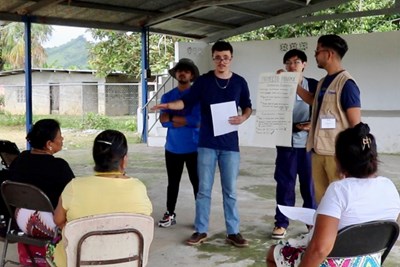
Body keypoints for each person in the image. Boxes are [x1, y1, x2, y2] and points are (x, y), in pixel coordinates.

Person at [151, 41, 252, 247]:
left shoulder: (239, 82)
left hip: (230, 144)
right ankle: (201, 230)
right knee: (204, 190)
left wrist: (243, 118)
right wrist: (168, 106)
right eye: (217, 57)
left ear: (231, 58)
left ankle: (233, 231)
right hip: (206, 143)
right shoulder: (204, 81)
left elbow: (247, 106)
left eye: (225, 57)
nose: (221, 61)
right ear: (212, 58)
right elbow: (185, 102)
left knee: (230, 190)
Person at [266, 122, 400, 267]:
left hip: (335, 262)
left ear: (338, 159)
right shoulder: (389, 186)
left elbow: (320, 250)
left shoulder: (339, 191)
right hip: (371, 261)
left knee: (274, 253)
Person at [53, 129, 153, 267]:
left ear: (95, 159)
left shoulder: (74, 187)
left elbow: (58, 220)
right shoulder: (138, 188)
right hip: (126, 263)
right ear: (124, 161)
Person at [296, 34, 361, 203]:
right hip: (318, 151)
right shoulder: (323, 81)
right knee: (323, 201)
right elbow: (313, 100)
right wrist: (292, 85)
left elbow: (356, 126)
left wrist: (348, 160)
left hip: (336, 156)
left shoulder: (346, 84)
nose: (315, 55)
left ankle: (342, 230)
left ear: (329, 54)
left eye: (317, 51)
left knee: (340, 201)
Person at [271, 49, 318, 239]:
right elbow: (271, 112)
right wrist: (274, 84)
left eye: (297, 62)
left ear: (304, 64)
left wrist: (311, 125)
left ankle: (312, 222)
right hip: (286, 144)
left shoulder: (314, 85)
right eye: (288, 62)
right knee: (284, 184)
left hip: (308, 145)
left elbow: (321, 109)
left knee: (310, 186)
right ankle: (281, 223)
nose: (292, 66)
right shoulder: (276, 85)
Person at [9, 118, 75, 238]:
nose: (62, 139)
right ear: (49, 144)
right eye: (59, 136)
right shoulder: (59, 166)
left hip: (21, 220)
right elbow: (73, 195)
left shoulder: (20, 159)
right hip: (48, 225)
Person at [157, 58, 201, 228]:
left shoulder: (197, 97)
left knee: (197, 183)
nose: (183, 73)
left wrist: (174, 118)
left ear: (192, 75)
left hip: (194, 148)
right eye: (180, 70)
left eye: (187, 71)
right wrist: (184, 120)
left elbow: (197, 121)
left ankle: (201, 216)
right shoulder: (167, 97)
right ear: (176, 74)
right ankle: (170, 213)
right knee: (172, 182)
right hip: (173, 148)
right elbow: (163, 121)